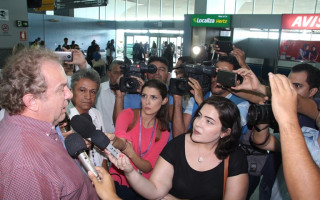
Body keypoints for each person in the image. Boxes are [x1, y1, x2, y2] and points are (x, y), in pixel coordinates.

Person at [0, 48, 100, 199]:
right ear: (32, 101)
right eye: (61, 89)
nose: (70, 94)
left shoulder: (42, 129)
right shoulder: (25, 167)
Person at [103, 96, 248, 199]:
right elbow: (155, 191)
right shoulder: (178, 145)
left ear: (225, 132)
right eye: (199, 116)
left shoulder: (235, 157)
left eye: (209, 122)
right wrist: (129, 172)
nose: (197, 124)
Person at [109, 79, 170, 200]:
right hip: (119, 179)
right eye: (144, 96)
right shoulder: (127, 115)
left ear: (164, 101)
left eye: (153, 98)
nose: (147, 102)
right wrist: (112, 139)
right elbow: (120, 140)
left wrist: (130, 152)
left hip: (144, 186)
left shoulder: (163, 130)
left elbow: (148, 167)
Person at [66, 68, 108, 169]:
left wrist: (105, 171)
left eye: (93, 92)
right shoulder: (63, 119)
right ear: (71, 91)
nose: (88, 96)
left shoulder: (97, 114)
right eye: (82, 90)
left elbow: (104, 151)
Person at [95, 60, 124, 133]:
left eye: (122, 73)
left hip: (124, 138)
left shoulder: (131, 93)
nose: (119, 76)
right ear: (109, 73)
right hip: (103, 137)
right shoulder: (99, 89)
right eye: (116, 73)